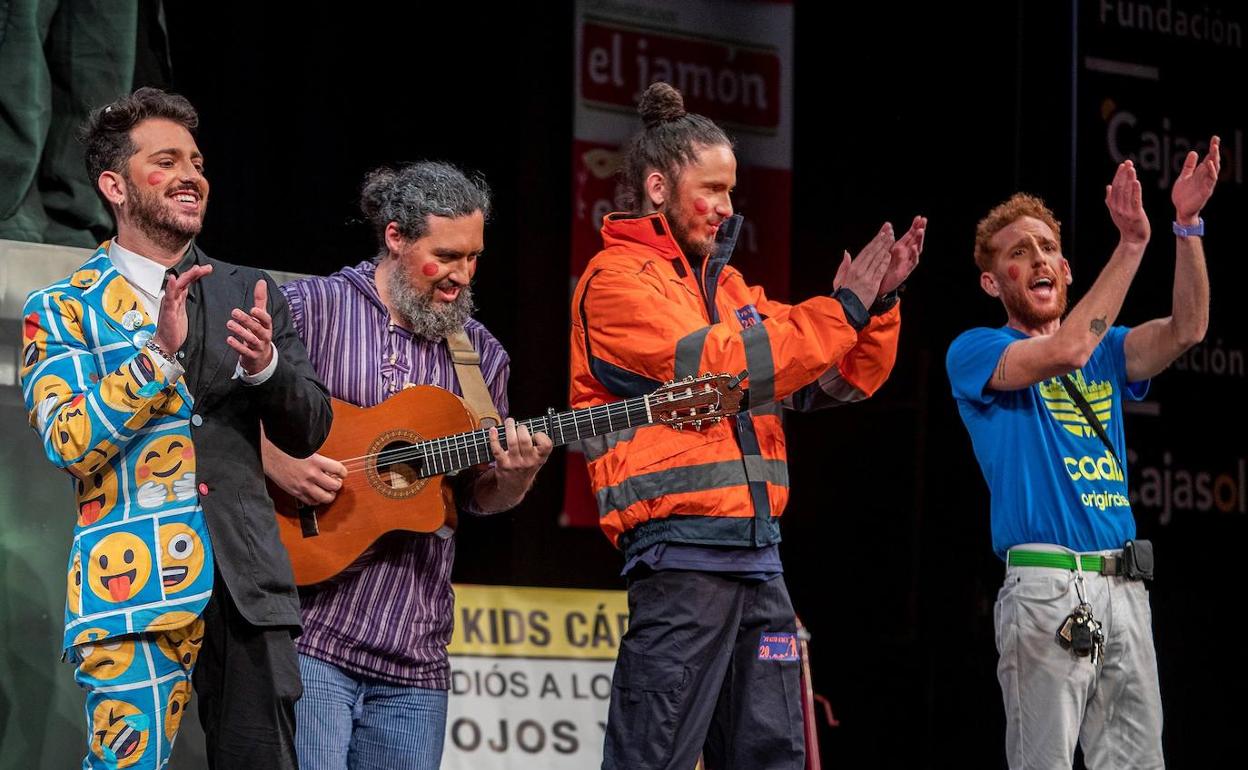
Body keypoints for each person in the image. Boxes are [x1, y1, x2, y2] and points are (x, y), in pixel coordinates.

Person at [568, 81, 926, 769]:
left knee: (772, 756)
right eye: (714, 189)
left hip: (760, 562)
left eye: (732, 191)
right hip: (680, 561)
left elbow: (834, 380)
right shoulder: (615, 281)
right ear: (655, 187)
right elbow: (724, 370)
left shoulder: (730, 290)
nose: (728, 208)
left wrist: (877, 307)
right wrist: (842, 307)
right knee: (655, 757)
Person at [19, 87, 332, 769]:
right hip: (130, 591)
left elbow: (309, 426)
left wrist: (266, 367)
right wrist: (156, 355)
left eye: (197, 160)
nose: (192, 174)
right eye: (166, 161)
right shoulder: (63, 309)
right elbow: (68, 441)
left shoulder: (246, 291)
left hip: (248, 586)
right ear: (115, 186)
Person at [262, 160, 553, 769]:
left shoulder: (482, 358)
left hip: (415, 654)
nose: (461, 276)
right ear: (395, 236)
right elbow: (219, 410)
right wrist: (281, 464)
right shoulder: (312, 308)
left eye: (473, 258)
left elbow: (481, 496)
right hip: (312, 633)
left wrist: (517, 476)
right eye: (446, 255)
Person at [946, 137, 1220, 769]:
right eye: (1020, 252)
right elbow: (1065, 351)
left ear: (1068, 270)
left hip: (1125, 590)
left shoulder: (1109, 348)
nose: (1038, 258)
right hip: (1046, 588)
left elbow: (1188, 329)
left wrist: (1186, 227)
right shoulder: (975, 350)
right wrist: (1130, 244)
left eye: (1048, 247)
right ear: (993, 281)